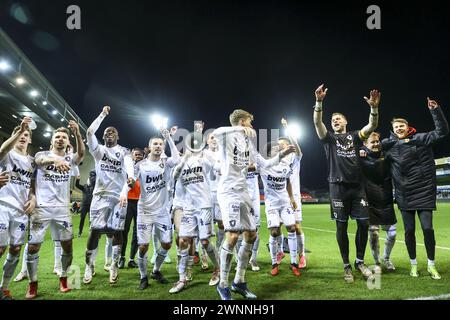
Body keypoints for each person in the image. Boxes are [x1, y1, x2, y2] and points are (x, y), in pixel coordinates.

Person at [213, 109, 295, 300]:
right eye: (250, 122)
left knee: (251, 234)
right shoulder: (228, 137)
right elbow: (216, 132)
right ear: (242, 122)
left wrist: (282, 154)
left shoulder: (248, 143)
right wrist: (237, 130)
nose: (252, 126)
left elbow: (264, 164)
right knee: (232, 236)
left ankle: (239, 281)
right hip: (228, 192)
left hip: (244, 193)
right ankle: (222, 284)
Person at [313, 84, 379, 283]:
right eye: (332, 120)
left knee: (364, 223)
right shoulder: (329, 139)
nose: (334, 121)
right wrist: (319, 102)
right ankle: (346, 266)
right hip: (338, 187)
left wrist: (374, 108)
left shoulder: (355, 136)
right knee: (341, 227)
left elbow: (372, 126)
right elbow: (317, 124)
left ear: (345, 121)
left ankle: (359, 261)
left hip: (357, 187)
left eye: (338, 118)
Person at [382, 98, 449, 279]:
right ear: (393, 130)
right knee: (409, 231)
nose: (399, 129)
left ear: (407, 126)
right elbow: (373, 150)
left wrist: (435, 110)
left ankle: (431, 265)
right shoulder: (390, 146)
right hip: (405, 194)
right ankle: (413, 265)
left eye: (401, 126)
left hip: (425, 191)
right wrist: (364, 150)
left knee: (428, 229)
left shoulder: (422, 138)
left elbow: (442, 131)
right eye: (396, 127)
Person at [26, 122, 84, 299]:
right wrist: (55, 159)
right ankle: (33, 284)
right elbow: (39, 161)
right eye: (57, 137)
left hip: (62, 210)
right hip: (41, 208)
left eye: (64, 138)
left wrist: (78, 134)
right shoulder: (42, 154)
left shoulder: (70, 159)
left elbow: (81, 154)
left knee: (67, 246)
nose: (60, 139)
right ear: (52, 141)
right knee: (33, 246)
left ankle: (64, 279)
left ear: (68, 143)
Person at [83, 106, 134, 285]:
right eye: (107, 132)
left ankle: (113, 265)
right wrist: (102, 115)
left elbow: (129, 167)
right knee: (95, 231)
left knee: (116, 231)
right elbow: (89, 132)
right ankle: (89, 266)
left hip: (119, 197)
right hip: (100, 195)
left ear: (117, 136)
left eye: (113, 132)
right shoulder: (98, 151)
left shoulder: (124, 151)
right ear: (103, 137)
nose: (110, 133)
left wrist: (130, 179)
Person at [134, 130, 180, 290]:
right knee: (143, 246)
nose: (158, 146)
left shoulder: (166, 163)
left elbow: (177, 158)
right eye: (155, 144)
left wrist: (169, 138)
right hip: (145, 211)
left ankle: (155, 270)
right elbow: (130, 181)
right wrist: (126, 190)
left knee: (167, 244)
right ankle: (143, 276)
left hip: (162, 211)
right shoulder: (140, 165)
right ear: (149, 147)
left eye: (161, 144)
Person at [0, 117, 36, 300]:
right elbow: (2, 149)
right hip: (3, 205)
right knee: (0, 248)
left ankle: (4, 288)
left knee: (15, 250)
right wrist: (19, 130)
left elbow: (31, 187)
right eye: (20, 134)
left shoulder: (31, 161)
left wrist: (33, 198)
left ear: (30, 139)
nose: (23, 136)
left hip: (22, 212)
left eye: (26, 134)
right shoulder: (8, 154)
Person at [259, 142, 300, 277]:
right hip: (271, 204)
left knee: (292, 228)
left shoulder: (285, 165)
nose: (279, 152)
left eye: (279, 150)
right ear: (269, 153)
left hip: (284, 202)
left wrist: (292, 198)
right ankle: (274, 264)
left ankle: (294, 263)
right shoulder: (264, 166)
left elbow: (287, 182)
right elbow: (251, 167)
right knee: (275, 232)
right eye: (276, 150)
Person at [359, 132, 397, 273]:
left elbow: (393, 141)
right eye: (372, 142)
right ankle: (376, 262)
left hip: (386, 198)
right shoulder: (360, 156)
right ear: (365, 144)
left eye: (377, 141)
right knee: (374, 234)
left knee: (392, 234)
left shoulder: (386, 154)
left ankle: (386, 258)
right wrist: (360, 150)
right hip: (370, 201)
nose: (376, 144)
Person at [280, 118, 306, 268]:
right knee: (276, 227)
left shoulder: (295, 159)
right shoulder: (276, 161)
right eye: (279, 146)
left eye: (283, 145)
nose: (281, 147)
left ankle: (301, 255)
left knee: (296, 227)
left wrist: (287, 127)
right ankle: (279, 252)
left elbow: (296, 146)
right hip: (278, 198)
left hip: (293, 197)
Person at [119, 148, 144, 269]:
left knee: (137, 232)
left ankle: (131, 258)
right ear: (132, 155)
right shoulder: (127, 167)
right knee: (125, 230)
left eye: (140, 155)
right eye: (136, 154)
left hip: (140, 202)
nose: (138, 156)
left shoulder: (144, 167)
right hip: (128, 201)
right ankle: (122, 257)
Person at [75, 171, 96, 237]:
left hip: (91, 205)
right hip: (84, 205)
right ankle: (80, 232)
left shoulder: (94, 187)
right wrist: (77, 180)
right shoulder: (84, 187)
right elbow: (77, 185)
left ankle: (91, 232)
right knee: (82, 218)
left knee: (91, 219)